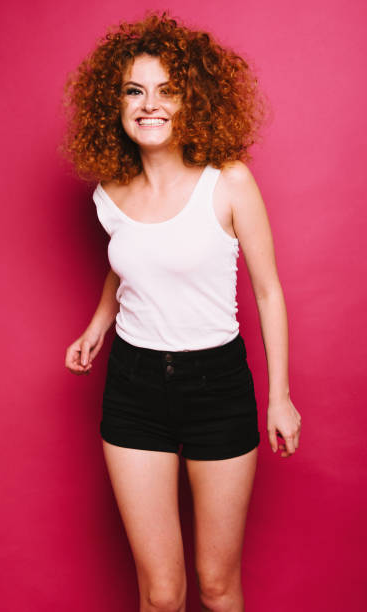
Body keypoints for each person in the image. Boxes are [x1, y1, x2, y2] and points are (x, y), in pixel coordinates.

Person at [62, 10, 301, 612]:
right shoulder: (109, 195)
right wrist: (98, 323)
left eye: (167, 91)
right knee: (162, 594)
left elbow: (268, 291)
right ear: (114, 106)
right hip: (133, 389)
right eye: (134, 91)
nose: (150, 104)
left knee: (217, 588)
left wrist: (279, 397)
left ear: (190, 101)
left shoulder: (230, 183)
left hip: (217, 386)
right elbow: (131, 258)